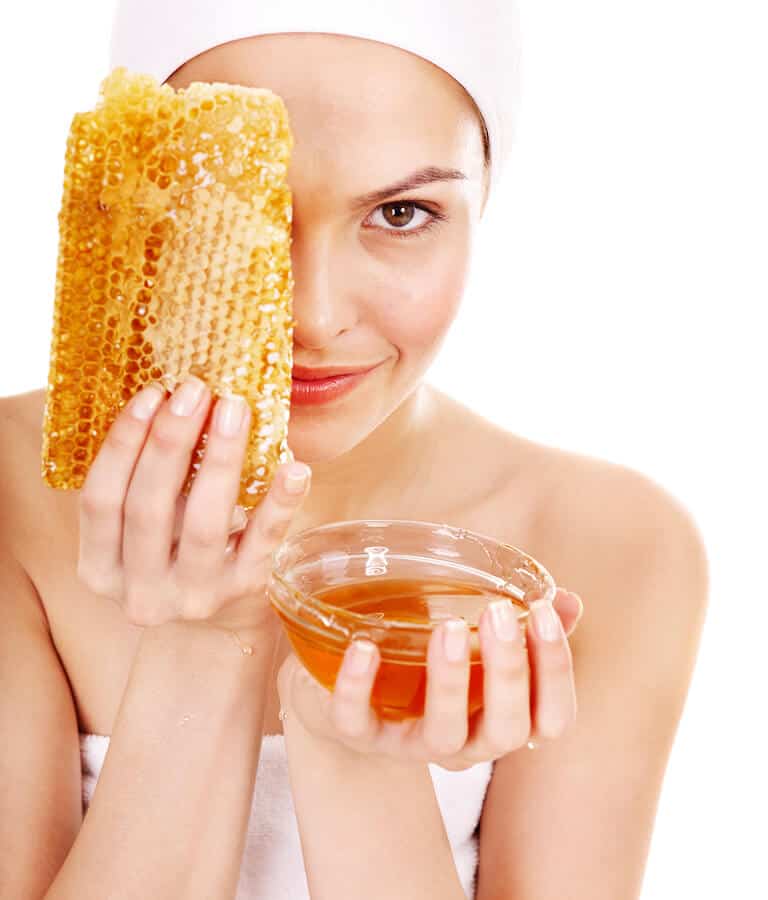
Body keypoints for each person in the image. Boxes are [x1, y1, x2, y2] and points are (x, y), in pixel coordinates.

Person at [0, 2, 709, 899]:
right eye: (243, 214)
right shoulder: (6, 498)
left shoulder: (608, 542)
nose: (316, 315)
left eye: (403, 212)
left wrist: (354, 752)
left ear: (485, 201)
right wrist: (205, 642)